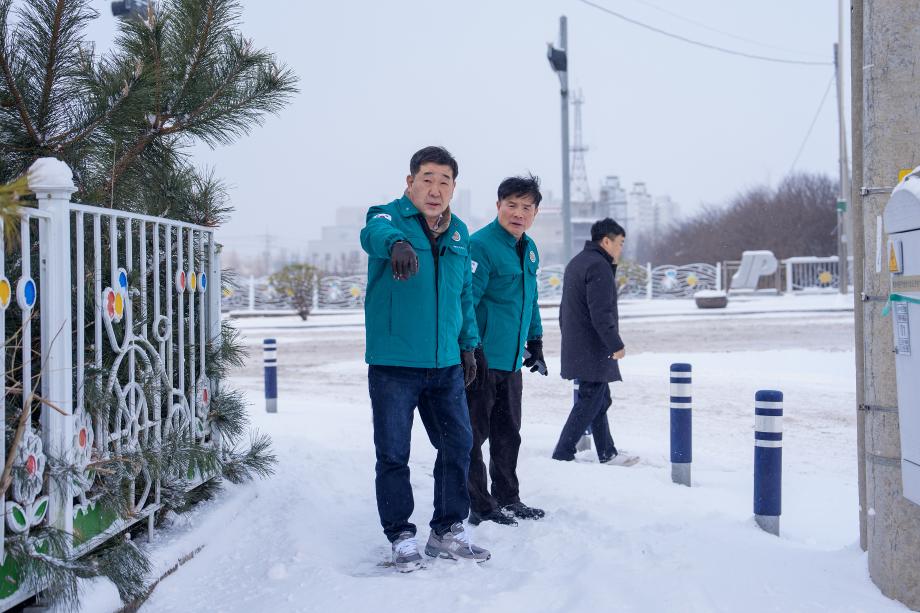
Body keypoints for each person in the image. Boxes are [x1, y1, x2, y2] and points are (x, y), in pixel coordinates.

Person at [360, 146, 490, 572]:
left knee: (459, 444)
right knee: (394, 452)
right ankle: (400, 535)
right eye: (427, 179)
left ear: (454, 187)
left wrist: (468, 344)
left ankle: (447, 529)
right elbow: (372, 233)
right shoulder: (386, 217)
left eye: (444, 181)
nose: (435, 189)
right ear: (410, 181)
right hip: (394, 365)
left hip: (445, 365)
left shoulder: (459, 233)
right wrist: (396, 242)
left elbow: (464, 293)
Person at [465, 175, 547, 527]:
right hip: (482, 360)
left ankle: (508, 497)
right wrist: (471, 348)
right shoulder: (480, 246)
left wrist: (536, 341)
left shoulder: (528, 248)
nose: (518, 213)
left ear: (535, 212)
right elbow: (466, 300)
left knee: (508, 433)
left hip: (511, 360)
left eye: (526, 207)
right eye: (511, 205)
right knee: (474, 435)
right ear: (498, 205)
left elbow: (531, 299)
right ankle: (480, 505)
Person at [551, 218, 638, 466]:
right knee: (591, 399)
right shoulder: (598, 266)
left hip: (579, 343)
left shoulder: (578, 262)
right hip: (593, 345)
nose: (621, 249)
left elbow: (565, 309)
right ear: (606, 241)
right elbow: (600, 312)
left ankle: (607, 452)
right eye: (620, 243)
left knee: (599, 398)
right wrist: (615, 344)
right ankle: (563, 452)